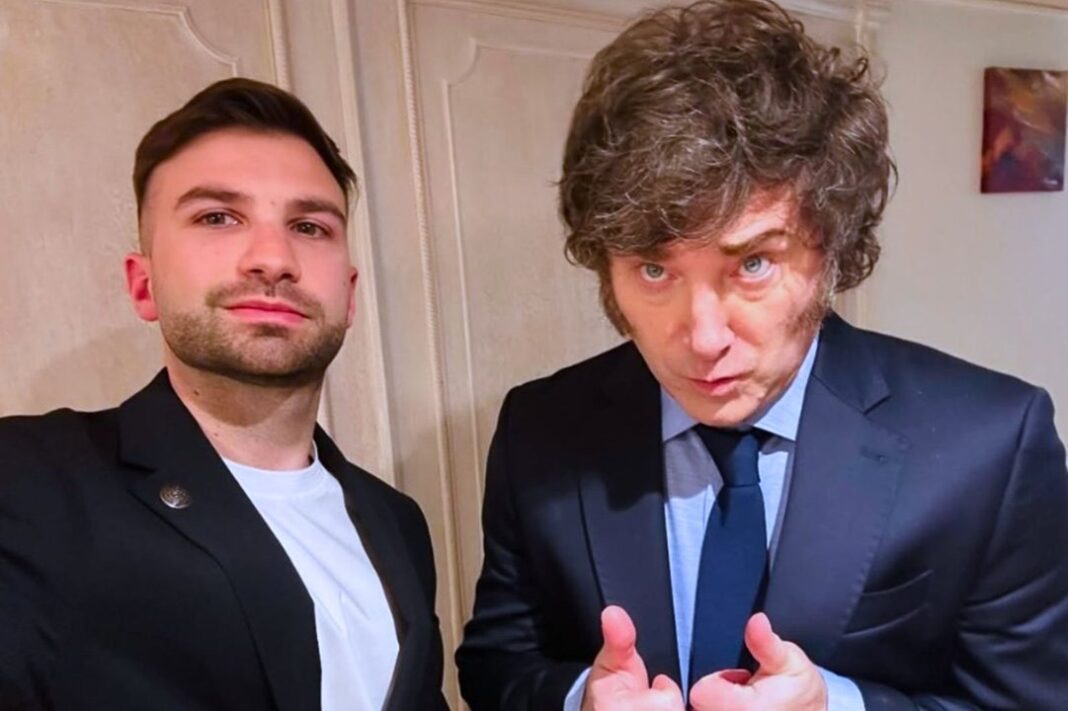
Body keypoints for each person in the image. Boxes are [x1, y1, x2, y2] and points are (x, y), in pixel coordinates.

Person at [455, 1, 1068, 709]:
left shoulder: (991, 446)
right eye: (654, 270)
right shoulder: (539, 430)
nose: (704, 337)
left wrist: (837, 706)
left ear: (831, 248)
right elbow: (497, 664)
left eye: (752, 264)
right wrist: (577, 700)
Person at [0, 78, 447, 711]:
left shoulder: (396, 521)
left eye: (309, 226)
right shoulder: (28, 483)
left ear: (349, 295)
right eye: (218, 217)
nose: (273, 258)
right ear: (144, 284)